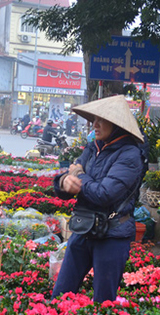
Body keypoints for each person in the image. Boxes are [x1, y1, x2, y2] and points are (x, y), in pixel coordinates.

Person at [51, 95, 146, 303]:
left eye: (102, 119)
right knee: (60, 295)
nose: (95, 124)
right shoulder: (93, 148)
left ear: (118, 125)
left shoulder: (130, 155)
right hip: (84, 228)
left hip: (112, 235)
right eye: (95, 118)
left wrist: (78, 175)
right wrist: (64, 181)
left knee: (103, 302)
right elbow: (70, 179)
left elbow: (104, 194)